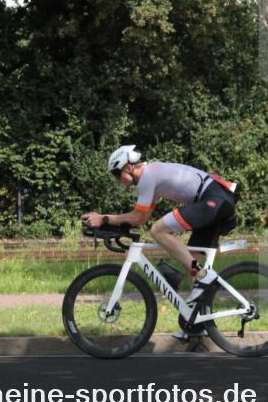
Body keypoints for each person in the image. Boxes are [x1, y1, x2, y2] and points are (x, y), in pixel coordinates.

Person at [81, 144, 238, 341]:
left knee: (158, 230)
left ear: (128, 167)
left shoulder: (148, 176)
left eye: (116, 173)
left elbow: (138, 219)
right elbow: (140, 218)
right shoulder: (152, 178)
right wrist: (111, 221)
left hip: (213, 199)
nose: (116, 180)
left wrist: (104, 218)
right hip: (215, 200)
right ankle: (196, 325)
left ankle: (202, 275)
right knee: (192, 260)